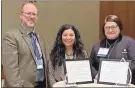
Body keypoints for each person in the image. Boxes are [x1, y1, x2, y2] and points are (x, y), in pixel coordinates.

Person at [2, 3, 50, 87]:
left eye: (34, 14)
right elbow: (10, 71)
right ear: (20, 15)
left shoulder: (40, 38)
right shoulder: (11, 36)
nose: (31, 17)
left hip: (41, 84)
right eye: (28, 13)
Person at [90, 15, 135, 84]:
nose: (110, 30)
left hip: (124, 82)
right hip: (102, 83)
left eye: (113, 27)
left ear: (119, 28)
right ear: (103, 29)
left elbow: (133, 62)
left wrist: (118, 74)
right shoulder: (97, 45)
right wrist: (96, 75)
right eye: (107, 27)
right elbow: (90, 64)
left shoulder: (129, 42)